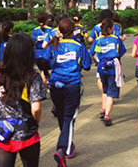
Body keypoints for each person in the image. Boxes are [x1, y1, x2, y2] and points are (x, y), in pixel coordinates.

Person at [0, 33, 46, 167]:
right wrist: (35, 121)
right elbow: (36, 107)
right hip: (27, 133)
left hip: (3, 132)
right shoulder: (32, 76)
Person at [44, 18, 91, 167]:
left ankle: (68, 146)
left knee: (61, 114)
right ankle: (61, 149)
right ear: (73, 30)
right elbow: (87, 65)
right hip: (72, 85)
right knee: (69, 118)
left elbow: (45, 61)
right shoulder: (78, 46)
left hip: (56, 85)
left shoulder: (53, 45)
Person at [89, 18, 126, 126]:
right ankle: (107, 116)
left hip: (101, 66)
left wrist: (96, 61)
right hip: (113, 67)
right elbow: (121, 52)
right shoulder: (116, 39)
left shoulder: (98, 40)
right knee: (111, 92)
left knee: (105, 90)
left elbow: (91, 53)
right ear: (110, 29)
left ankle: (103, 108)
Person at [32, 12, 53, 88]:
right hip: (48, 54)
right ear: (47, 20)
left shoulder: (35, 30)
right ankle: (51, 86)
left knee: (42, 72)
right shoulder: (50, 29)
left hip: (37, 55)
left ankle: (44, 90)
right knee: (50, 71)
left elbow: (33, 42)